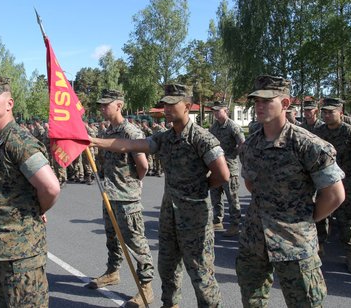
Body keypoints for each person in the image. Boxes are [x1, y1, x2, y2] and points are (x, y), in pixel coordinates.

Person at [91, 83, 229, 307]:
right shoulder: (164, 138)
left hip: (194, 217)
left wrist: (198, 188)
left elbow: (223, 174)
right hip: (169, 215)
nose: (166, 107)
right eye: (164, 103)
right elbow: (129, 144)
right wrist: (94, 141)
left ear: (186, 106)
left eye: (172, 104)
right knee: (168, 268)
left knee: (200, 273)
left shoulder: (201, 138)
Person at [237, 75, 346, 307]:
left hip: (294, 245)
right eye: (256, 101)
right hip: (254, 241)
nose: (259, 106)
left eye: (267, 101)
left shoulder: (308, 145)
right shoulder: (250, 146)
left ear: (285, 104)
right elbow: (251, 185)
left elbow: (335, 195)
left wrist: (304, 219)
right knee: (252, 301)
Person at [0, 73, 61, 307]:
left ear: (9, 103)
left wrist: (36, 209)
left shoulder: (18, 141)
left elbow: (50, 187)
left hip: (21, 254)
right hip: (2, 249)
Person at [87, 89, 155, 307]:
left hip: (126, 198)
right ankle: (113, 272)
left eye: (106, 104)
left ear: (119, 105)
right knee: (112, 238)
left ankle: (146, 287)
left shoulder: (130, 132)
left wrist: (133, 184)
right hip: (110, 194)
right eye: (101, 104)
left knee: (136, 242)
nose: (102, 108)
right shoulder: (107, 133)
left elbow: (143, 165)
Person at [315, 97, 351, 274]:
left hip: (346, 182)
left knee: (346, 219)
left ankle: (350, 255)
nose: (327, 115)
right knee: (321, 216)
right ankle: (319, 247)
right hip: (323, 182)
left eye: (331, 112)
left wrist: (349, 176)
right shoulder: (319, 132)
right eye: (325, 112)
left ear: (341, 112)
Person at [209, 100, 245, 236]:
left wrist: (233, 154)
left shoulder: (232, 127)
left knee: (232, 198)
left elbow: (242, 144)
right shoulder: (214, 127)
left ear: (226, 111)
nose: (216, 113)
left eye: (218, 110)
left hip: (230, 168)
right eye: (214, 111)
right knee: (215, 196)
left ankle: (235, 225)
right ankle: (217, 221)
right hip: (216, 167)